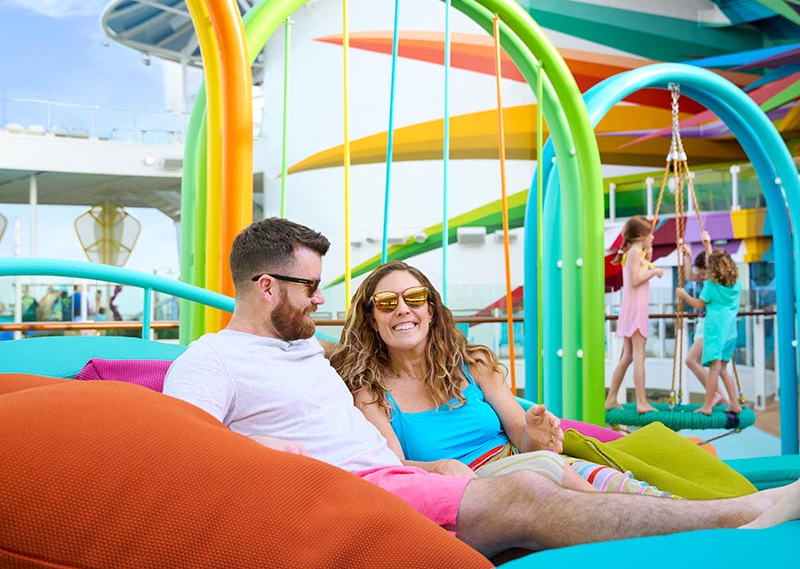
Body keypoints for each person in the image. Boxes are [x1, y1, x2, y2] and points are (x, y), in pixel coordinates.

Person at [163, 217, 800, 557]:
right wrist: (283, 458)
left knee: (546, 469)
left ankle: (732, 516)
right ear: (267, 287)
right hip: (356, 494)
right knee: (529, 489)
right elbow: (177, 447)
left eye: (414, 300)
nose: (319, 300)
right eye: (309, 288)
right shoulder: (212, 359)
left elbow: (362, 358)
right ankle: (738, 522)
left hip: (401, 479)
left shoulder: (305, 349)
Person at [330, 260, 670, 497]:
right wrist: (442, 468)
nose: (403, 309)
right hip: (475, 491)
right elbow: (394, 466)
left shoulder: (473, 364)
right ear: (372, 319)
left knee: (639, 494)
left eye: (414, 298)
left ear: (430, 311)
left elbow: (523, 439)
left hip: (529, 465)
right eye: (387, 303)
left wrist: (533, 433)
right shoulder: (371, 393)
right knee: (554, 475)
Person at [605, 216, 664, 414]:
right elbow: (635, 280)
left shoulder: (635, 252)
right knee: (639, 355)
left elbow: (638, 272)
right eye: (650, 234)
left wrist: (650, 257)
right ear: (640, 236)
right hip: (636, 309)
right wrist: (654, 272)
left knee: (628, 356)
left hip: (631, 307)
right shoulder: (634, 252)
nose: (653, 237)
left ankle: (611, 398)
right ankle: (641, 401)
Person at [676, 250, 743, 416]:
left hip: (715, 330)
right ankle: (734, 403)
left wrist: (683, 295)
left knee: (714, 367)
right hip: (730, 332)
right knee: (723, 369)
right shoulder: (737, 284)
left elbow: (698, 305)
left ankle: (707, 406)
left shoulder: (711, 286)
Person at [681, 233, 730, 407]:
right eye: (701, 274)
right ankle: (722, 398)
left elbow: (711, 265)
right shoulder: (708, 280)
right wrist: (688, 257)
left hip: (711, 326)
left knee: (691, 360)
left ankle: (716, 395)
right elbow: (689, 276)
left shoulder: (716, 279)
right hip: (704, 324)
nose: (702, 277)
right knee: (708, 364)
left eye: (704, 273)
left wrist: (708, 245)